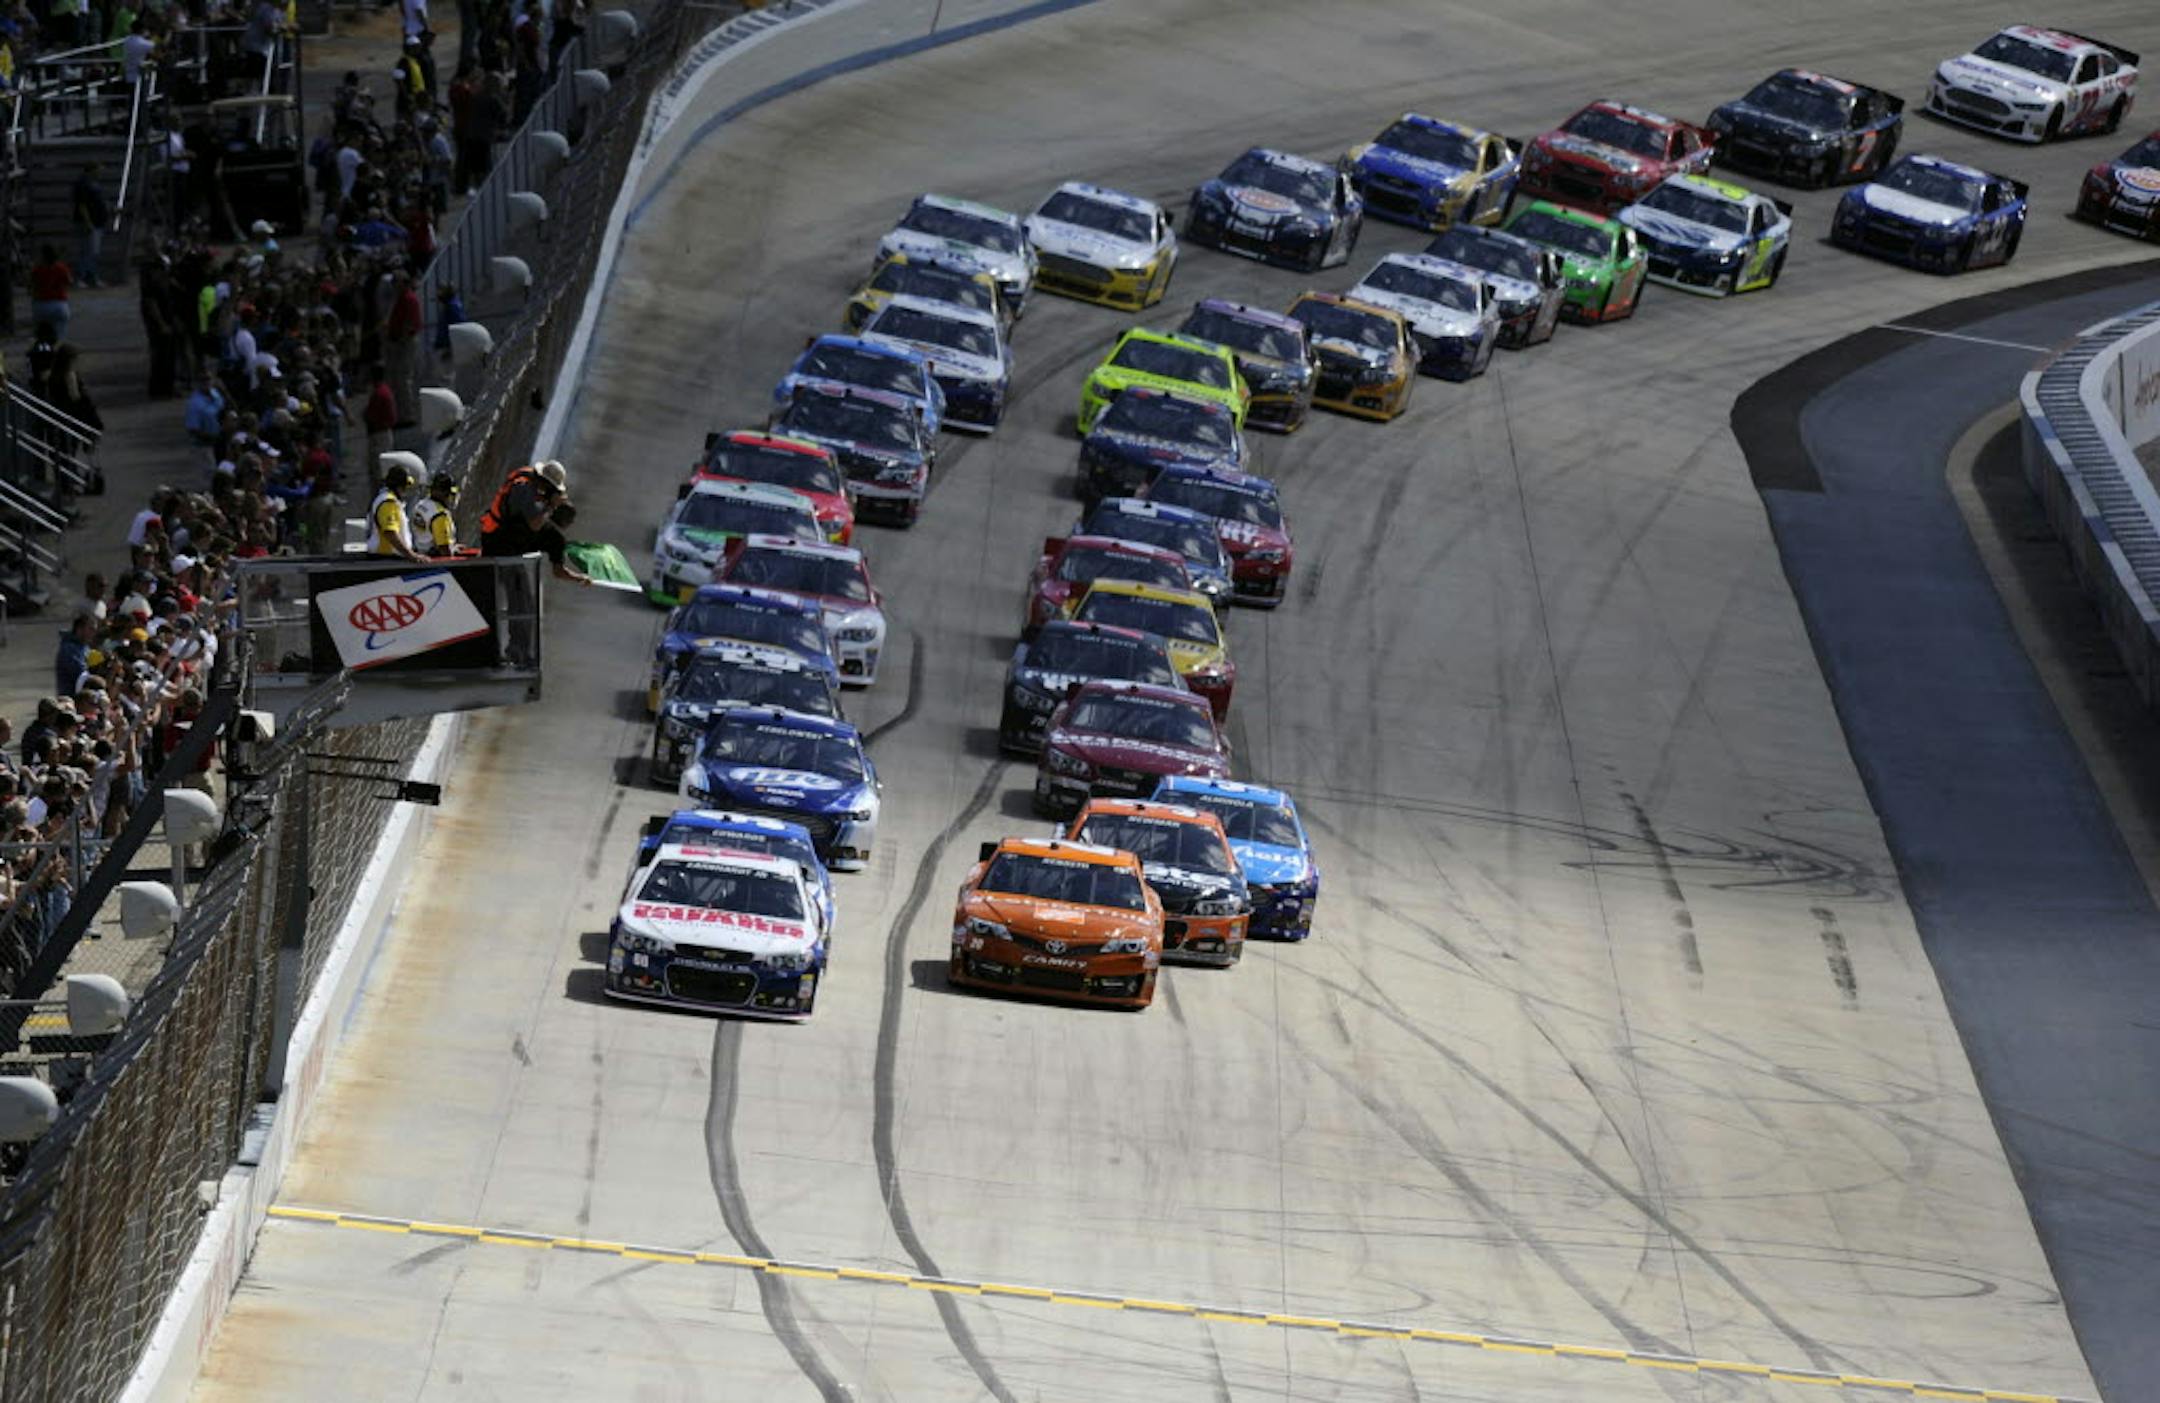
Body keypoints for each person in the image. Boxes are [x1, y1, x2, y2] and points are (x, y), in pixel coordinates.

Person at [478, 462, 590, 583]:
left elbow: (535, 515)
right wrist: (551, 506)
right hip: (495, 538)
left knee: (555, 539)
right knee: (536, 528)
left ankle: (560, 570)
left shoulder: (533, 483)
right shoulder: (522, 488)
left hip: (510, 533)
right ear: (544, 482)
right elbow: (533, 525)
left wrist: (557, 504)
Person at [367, 461, 423, 560]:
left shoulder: (385, 498)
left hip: (392, 557)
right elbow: (390, 533)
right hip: (387, 558)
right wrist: (411, 555)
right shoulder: (388, 502)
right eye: (405, 486)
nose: (406, 490)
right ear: (399, 486)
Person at [72, 163, 110, 287]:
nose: (100, 173)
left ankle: (91, 276)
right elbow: (82, 205)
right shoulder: (83, 184)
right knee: (88, 252)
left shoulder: (94, 184)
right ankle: (82, 277)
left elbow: (99, 202)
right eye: (98, 170)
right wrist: (88, 223)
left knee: (92, 252)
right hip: (89, 223)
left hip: (97, 222)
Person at [363, 363, 397, 487]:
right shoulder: (384, 390)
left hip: (379, 434)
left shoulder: (379, 393)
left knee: (378, 472)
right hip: (383, 433)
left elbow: (371, 416)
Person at [28, 248, 72, 344]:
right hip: (59, 304)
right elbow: (69, 282)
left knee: (40, 332)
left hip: (41, 304)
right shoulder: (61, 268)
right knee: (60, 333)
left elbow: (30, 284)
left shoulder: (38, 269)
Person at [411, 472, 460, 555]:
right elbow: (444, 550)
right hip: (436, 561)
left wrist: (453, 546)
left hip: (421, 554)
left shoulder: (420, 505)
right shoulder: (439, 515)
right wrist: (453, 550)